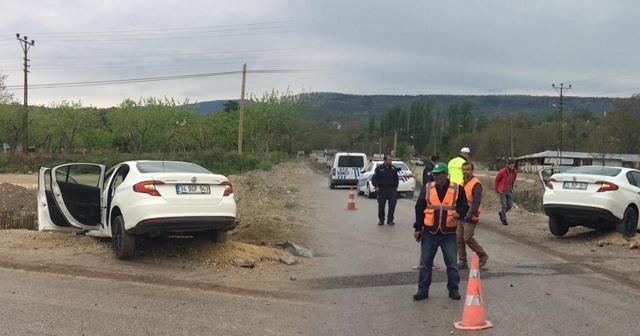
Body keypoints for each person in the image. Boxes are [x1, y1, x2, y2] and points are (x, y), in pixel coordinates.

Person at [412, 162, 469, 301]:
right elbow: (419, 208)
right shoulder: (428, 188)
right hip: (429, 232)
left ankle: (453, 290)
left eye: (438, 174)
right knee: (426, 264)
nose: (435, 177)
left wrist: (459, 214)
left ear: (445, 174)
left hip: (448, 233)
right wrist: (418, 228)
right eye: (434, 174)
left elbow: (464, 206)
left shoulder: (457, 189)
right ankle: (422, 290)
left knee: (451, 264)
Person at [457, 161, 489, 269]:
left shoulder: (476, 184)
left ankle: (482, 254)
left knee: (467, 238)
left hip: (471, 216)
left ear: (472, 170)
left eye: (468, 169)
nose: (465, 172)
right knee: (459, 238)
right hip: (461, 215)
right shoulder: (461, 184)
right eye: (464, 169)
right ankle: (462, 261)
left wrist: (472, 212)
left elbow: (476, 200)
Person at [371, 154, 399, 225]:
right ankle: (381, 220)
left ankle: (390, 220)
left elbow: (396, 179)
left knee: (392, 205)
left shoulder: (393, 169)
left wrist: (395, 187)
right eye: (389, 160)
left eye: (391, 160)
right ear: (385, 160)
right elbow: (374, 179)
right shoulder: (379, 169)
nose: (390, 161)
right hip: (382, 190)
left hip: (391, 190)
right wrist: (376, 186)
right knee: (381, 206)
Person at [494, 159, 518, 226]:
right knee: (504, 205)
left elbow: (514, 179)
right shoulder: (502, 171)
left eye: (513, 166)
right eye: (511, 166)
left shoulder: (515, 172)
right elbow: (497, 180)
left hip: (509, 190)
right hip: (502, 190)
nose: (512, 168)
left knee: (510, 205)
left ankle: (501, 213)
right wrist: (497, 189)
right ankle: (504, 219)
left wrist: (512, 187)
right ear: (507, 165)